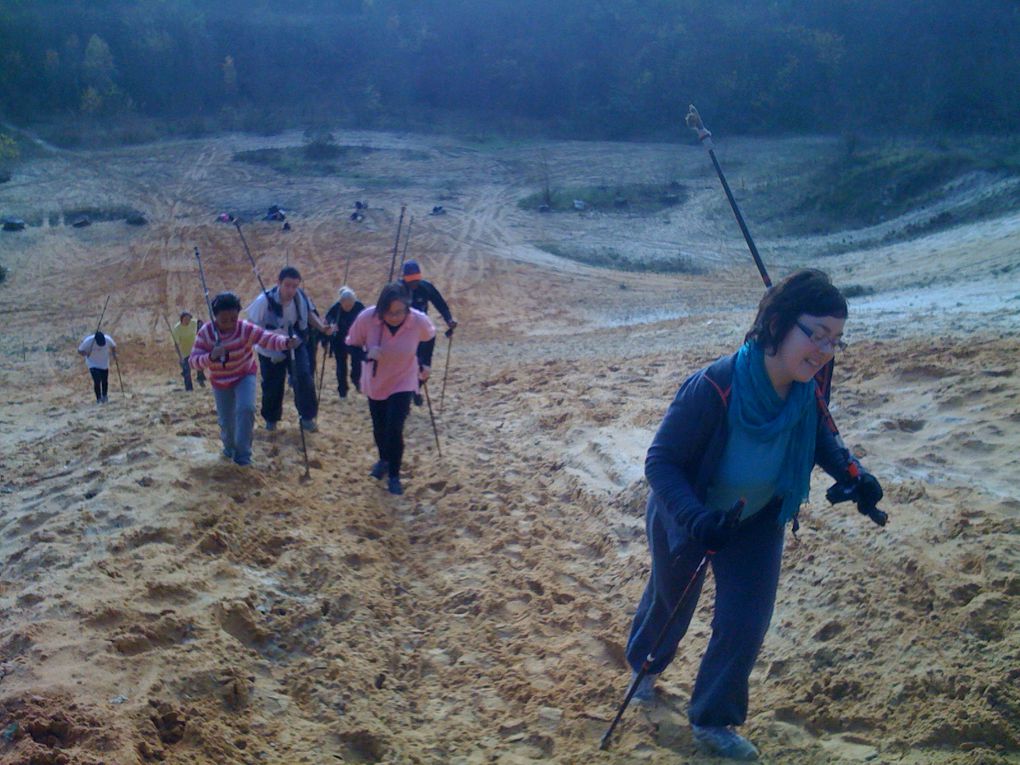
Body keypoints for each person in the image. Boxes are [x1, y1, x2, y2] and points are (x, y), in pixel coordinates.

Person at [623, 269, 884, 761]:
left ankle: (713, 718)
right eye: (816, 335)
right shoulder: (714, 385)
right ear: (779, 323)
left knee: (745, 620)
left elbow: (822, 437)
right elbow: (661, 462)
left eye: (835, 341)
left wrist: (855, 476)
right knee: (671, 601)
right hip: (690, 513)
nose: (825, 351)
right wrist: (696, 519)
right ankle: (645, 667)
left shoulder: (808, 388)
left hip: (759, 517)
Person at [346, 282, 436, 495]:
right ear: (381, 308)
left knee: (394, 427)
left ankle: (394, 475)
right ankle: (384, 460)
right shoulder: (368, 318)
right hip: (376, 380)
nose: (395, 317)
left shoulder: (418, 320)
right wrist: (367, 354)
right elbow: (351, 344)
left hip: (404, 379)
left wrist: (425, 361)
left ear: (407, 308)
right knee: (380, 427)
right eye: (389, 312)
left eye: (399, 312)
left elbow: (430, 337)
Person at [189, 292, 298, 467]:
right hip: (220, 381)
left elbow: (266, 338)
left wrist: (285, 342)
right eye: (224, 320)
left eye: (233, 318)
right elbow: (193, 362)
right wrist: (211, 356)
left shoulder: (244, 328)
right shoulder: (206, 333)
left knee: (246, 409)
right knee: (227, 423)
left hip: (244, 375)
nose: (230, 324)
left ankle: (243, 456)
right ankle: (229, 449)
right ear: (215, 317)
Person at [245, 266, 334, 432]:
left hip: (295, 343)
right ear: (278, 283)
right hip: (269, 348)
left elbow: (308, 314)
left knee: (304, 377)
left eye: (295, 286)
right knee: (272, 384)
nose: (291, 290)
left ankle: (307, 418)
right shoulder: (263, 301)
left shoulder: (300, 297)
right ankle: (271, 420)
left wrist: (323, 328)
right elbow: (251, 326)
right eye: (287, 285)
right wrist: (272, 335)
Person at [399, 260, 457, 405]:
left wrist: (449, 319)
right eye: (410, 280)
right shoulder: (397, 289)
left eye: (416, 279)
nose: (414, 283)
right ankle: (408, 394)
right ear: (404, 278)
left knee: (425, 368)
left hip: (423, 332)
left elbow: (441, 304)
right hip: (402, 334)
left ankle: (415, 389)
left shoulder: (426, 287)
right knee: (408, 366)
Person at [323, 286, 365, 399]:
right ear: (341, 302)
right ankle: (342, 391)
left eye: (351, 305)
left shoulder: (359, 306)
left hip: (355, 340)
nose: (349, 308)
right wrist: (331, 325)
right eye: (346, 306)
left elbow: (366, 320)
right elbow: (327, 319)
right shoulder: (336, 308)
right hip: (339, 341)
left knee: (358, 363)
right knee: (341, 366)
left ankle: (357, 381)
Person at [78, 330, 117, 403]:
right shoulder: (88, 341)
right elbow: (80, 350)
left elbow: (113, 346)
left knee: (104, 380)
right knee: (97, 380)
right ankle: (98, 398)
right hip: (92, 363)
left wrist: (114, 354)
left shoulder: (108, 339)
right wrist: (86, 353)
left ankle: (105, 396)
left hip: (104, 363)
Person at [171, 311, 206, 390]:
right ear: (182, 319)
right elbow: (176, 344)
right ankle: (189, 389)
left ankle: (200, 379)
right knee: (187, 371)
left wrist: (200, 328)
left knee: (200, 364)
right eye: (186, 319)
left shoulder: (193, 323)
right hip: (185, 352)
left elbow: (200, 323)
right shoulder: (177, 329)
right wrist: (180, 357)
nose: (188, 321)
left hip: (195, 349)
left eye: (189, 319)